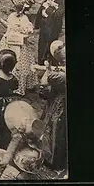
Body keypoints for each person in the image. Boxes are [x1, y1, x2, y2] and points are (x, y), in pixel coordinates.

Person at [0, 0, 37, 95]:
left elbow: (28, 33)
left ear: (23, 9)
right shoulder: (12, 15)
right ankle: (2, 83)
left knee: (20, 65)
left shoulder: (25, 19)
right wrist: (0, 20)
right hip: (8, 41)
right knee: (3, 59)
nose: (16, 10)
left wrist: (22, 36)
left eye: (19, 8)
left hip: (18, 44)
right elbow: (9, 26)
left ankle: (18, 87)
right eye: (16, 7)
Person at [39, 41, 67, 172]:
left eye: (62, 47)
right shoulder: (59, 69)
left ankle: (57, 162)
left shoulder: (58, 75)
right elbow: (45, 87)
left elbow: (49, 80)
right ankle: (53, 160)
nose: (62, 50)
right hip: (58, 101)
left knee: (58, 129)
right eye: (58, 51)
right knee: (52, 127)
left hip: (63, 102)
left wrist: (49, 71)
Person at [35, 0, 65, 64]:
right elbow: (42, 6)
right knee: (42, 42)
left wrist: (48, 9)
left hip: (52, 26)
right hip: (44, 23)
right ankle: (40, 61)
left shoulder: (62, 0)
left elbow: (59, 13)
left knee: (50, 43)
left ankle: (50, 61)